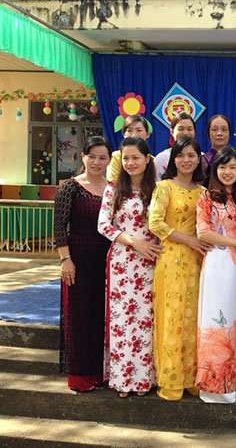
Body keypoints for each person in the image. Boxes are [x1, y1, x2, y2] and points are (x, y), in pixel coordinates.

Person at [97, 137, 162, 398]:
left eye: (136, 157)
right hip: (123, 262)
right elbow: (104, 225)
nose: (131, 162)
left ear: (147, 159)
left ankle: (145, 379)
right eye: (126, 158)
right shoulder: (114, 189)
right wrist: (135, 243)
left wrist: (153, 245)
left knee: (147, 321)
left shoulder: (158, 189)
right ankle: (123, 379)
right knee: (122, 321)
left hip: (151, 262)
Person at [149, 137, 210, 401]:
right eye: (181, 155)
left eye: (191, 155)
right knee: (172, 318)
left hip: (198, 263)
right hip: (171, 260)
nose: (186, 160)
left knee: (193, 319)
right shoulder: (165, 187)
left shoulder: (203, 192)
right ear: (174, 159)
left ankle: (192, 378)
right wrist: (189, 240)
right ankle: (171, 380)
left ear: (199, 159)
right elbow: (155, 223)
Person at [195, 147, 236, 403]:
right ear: (214, 170)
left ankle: (233, 382)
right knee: (215, 319)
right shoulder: (206, 197)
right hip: (216, 265)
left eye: (232, 167)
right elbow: (203, 233)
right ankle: (213, 385)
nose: (227, 172)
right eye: (222, 167)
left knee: (235, 320)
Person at [54, 136, 112, 392]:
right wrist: (66, 260)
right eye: (92, 157)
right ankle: (79, 376)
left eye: (102, 158)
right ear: (83, 157)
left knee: (100, 316)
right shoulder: (71, 187)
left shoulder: (113, 189)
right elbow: (59, 227)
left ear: (109, 160)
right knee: (79, 317)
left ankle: (99, 372)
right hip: (77, 261)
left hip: (105, 262)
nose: (97, 162)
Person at [107, 115, 151, 182]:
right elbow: (113, 182)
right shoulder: (116, 157)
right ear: (124, 134)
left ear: (147, 134)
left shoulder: (153, 160)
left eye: (139, 130)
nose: (134, 135)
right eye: (129, 131)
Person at [154, 112, 196, 180]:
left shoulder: (202, 157)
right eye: (180, 129)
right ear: (172, 131)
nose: (185, 133)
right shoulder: (162, 158)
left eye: (189, 129)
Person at [202, 114, 233, 179]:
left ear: (229, 133)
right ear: (208, 133)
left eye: (224, 129)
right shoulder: (203, 161)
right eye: (215, 129)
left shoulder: (235, 160)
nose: (219, 133)